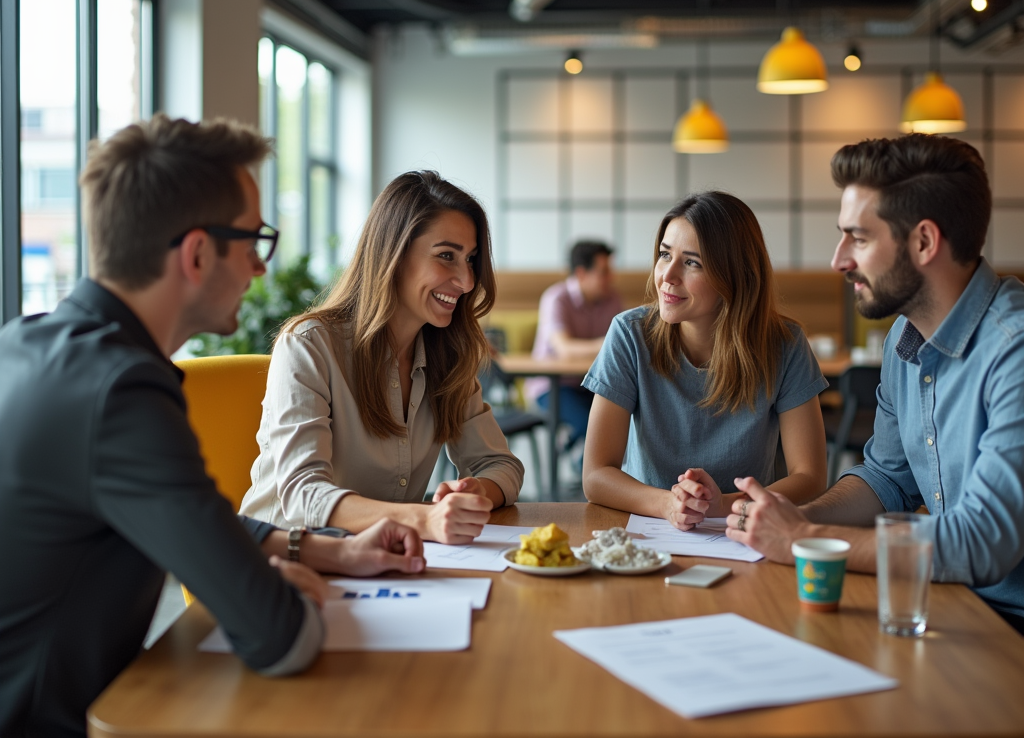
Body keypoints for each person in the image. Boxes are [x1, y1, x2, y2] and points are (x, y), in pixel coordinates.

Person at [0, 115, 425, 738]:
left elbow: (188, 518)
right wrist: (286, 588)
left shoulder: (30, 343)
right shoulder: (121, 392)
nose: (259, 268)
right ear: (198, 253)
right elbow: (280, 640)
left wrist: (329, 550)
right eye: (254, 242)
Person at [725, 135, 1024, 633]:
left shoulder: (1013, 350)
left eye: (858, 238)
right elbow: (886, 480)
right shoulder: (904, 338)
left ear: (924, 242)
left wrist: (805, 539)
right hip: (949, 605)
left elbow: (982, 542)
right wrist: (793, 515)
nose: (839, 260)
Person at [239, 171, 524, 544]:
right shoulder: (309, 346)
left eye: (470, 259)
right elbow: (303, 494)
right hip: (285, 566)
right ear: (393, 254)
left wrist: (476, 492)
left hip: (382, 565)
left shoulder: (448, 357)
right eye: (446, 256)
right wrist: (423, 519)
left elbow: (501, 464)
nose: (467, 281)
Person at [582, 191, 828, 529]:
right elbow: (595, 476)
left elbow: (811, 476)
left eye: (692, 262)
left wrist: (720, 506)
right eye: (665, 254)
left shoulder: (785, 345)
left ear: (735, 274)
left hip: (746, 531)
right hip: (650, 531)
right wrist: (670, 505)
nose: (667, 275)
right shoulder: (630, 334)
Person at [525, 240, 624, 454]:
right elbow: (564, 347)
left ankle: (579, 458)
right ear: (581, 273)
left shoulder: (612, 299)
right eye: (604, 272)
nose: (611, 278)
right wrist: (605, 343)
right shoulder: (556, 298)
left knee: (623, 420)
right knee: (592, 426)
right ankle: (585, 469)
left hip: (590, 384)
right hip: (552, 386)